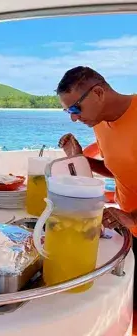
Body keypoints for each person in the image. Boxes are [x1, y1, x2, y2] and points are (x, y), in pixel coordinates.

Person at [56, 65, 137, 305]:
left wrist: (132, 218)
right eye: (68, 111)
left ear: (98, 93)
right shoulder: (100, 123)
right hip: (128, 228)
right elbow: (119, 169)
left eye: (75, 108)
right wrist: (82, 159)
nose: (73, 117)